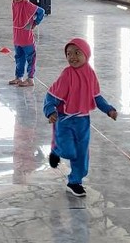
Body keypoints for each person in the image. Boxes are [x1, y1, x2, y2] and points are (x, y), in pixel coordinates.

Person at [43, 38, 117, 197]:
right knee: (70, 152)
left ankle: (75, 182)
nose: (72, 57)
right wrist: (51, 111)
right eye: (69, 54)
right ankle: (56, 150)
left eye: (77, 53)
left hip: (83, 121)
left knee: (82, 154)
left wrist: (108, 109)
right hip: (65, 120)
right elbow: (51, 96)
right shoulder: (66, 75)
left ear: (86, 54)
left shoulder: (90, 74)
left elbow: (97, 97)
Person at [9, 0, 45, 87]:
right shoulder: (14, 4)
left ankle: (30, 79)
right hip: (17, 37)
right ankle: (19, 77)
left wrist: (35, 22)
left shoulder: (27, 5)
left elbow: (41, 11)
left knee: (30, 58)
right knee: (19, 58)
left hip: (27, 38)